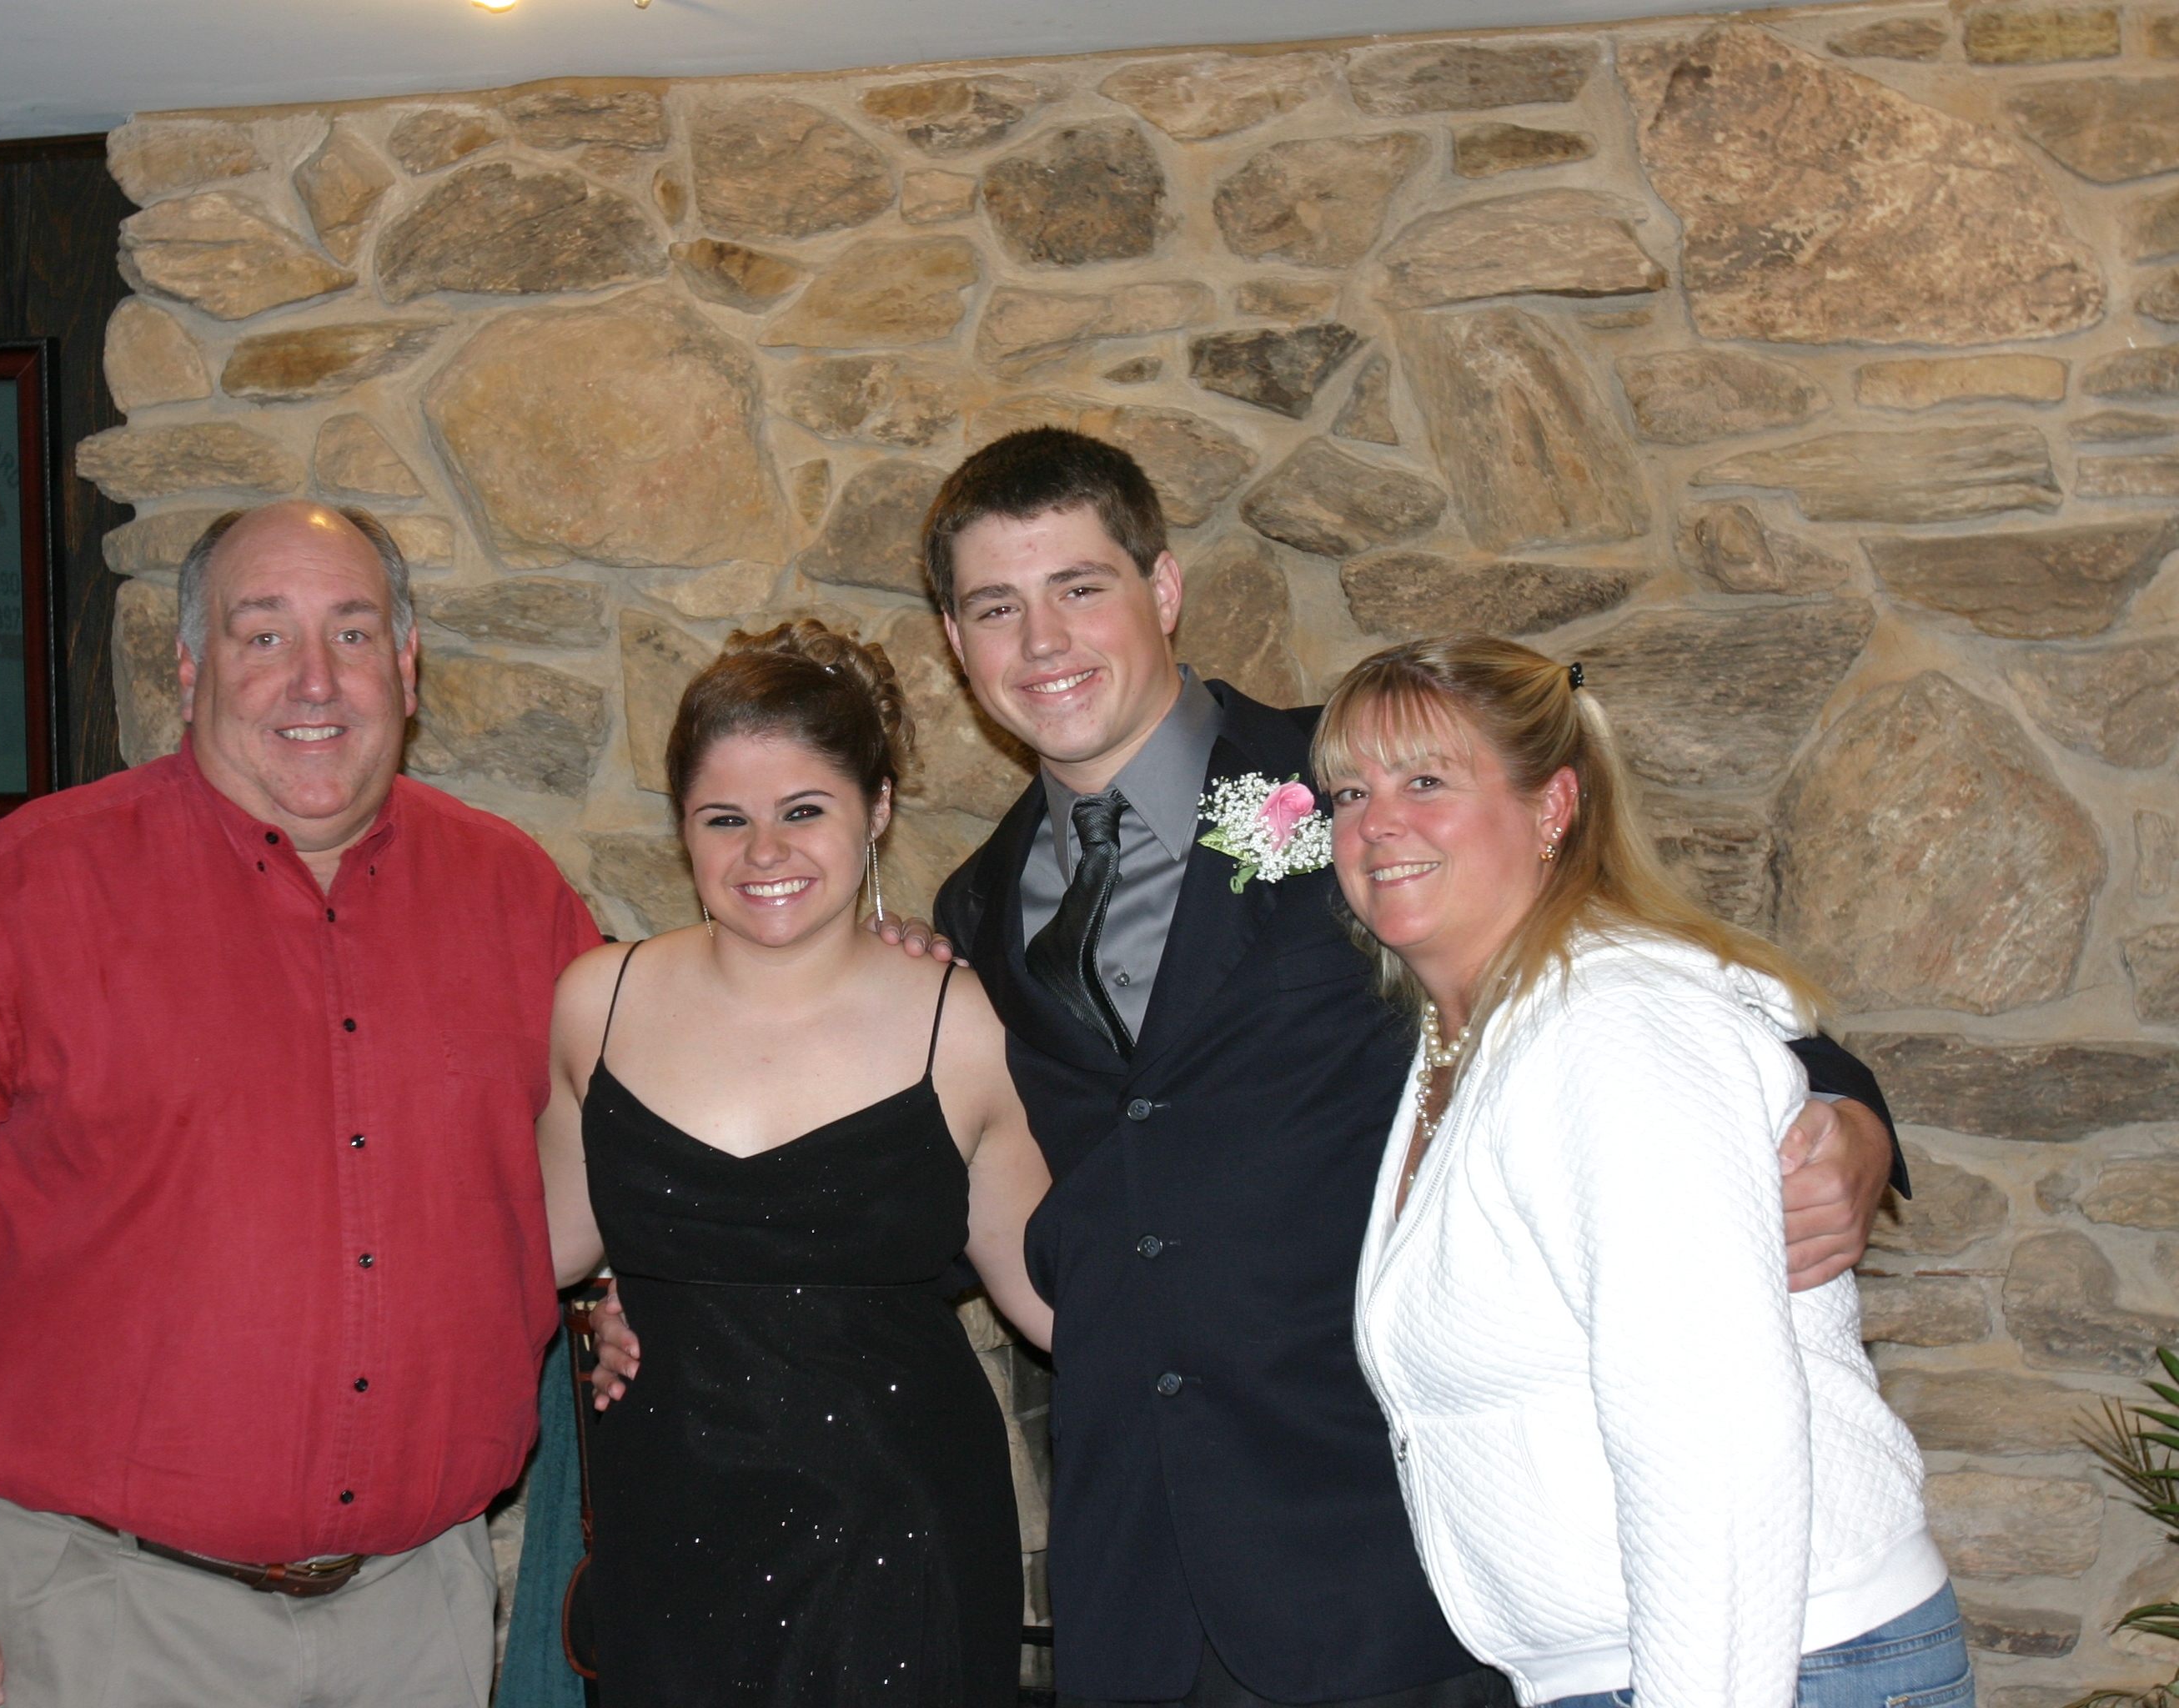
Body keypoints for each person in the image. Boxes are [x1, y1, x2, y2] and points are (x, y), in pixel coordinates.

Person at [600, 428, 1905, 1708]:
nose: (1043, 642)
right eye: (997, 607)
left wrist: (1842, 1107)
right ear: (956, 640)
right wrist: (673, 1282)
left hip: (1379, 1570)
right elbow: (958, 1208)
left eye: (1080, 587)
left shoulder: (1354, 794)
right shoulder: (976, 908)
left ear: (1164, 588)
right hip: (1136, 1585)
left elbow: (1621, 958)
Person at [0, 500, 600, 1708]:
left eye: (353, 633)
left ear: (408, 666)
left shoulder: (519, 896)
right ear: (190, 668)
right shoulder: (13, 898)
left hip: (418, 1613)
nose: (315, 681)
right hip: (100, 1614)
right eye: (263, 635)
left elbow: (626, 1131)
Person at [1325, 636, 1961, 1708]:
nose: (1376, 822)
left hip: (1772, 1664)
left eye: (1426, 780)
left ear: (1553, 806)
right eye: (1351, 791)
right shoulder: (1469, 1037)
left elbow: (1712, 1435)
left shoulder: (1612, 1026)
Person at [536, 619, 1055, 1707]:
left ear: (879, 809)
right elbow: (545, 1246)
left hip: (898, 1546)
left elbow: (1054, 1301)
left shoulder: (963, 1027)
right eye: (725, 818)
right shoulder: (598, 1001)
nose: (763, 852)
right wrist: (599, 1312)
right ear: (684, 829)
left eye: (804, 810)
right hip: (666, 1535)